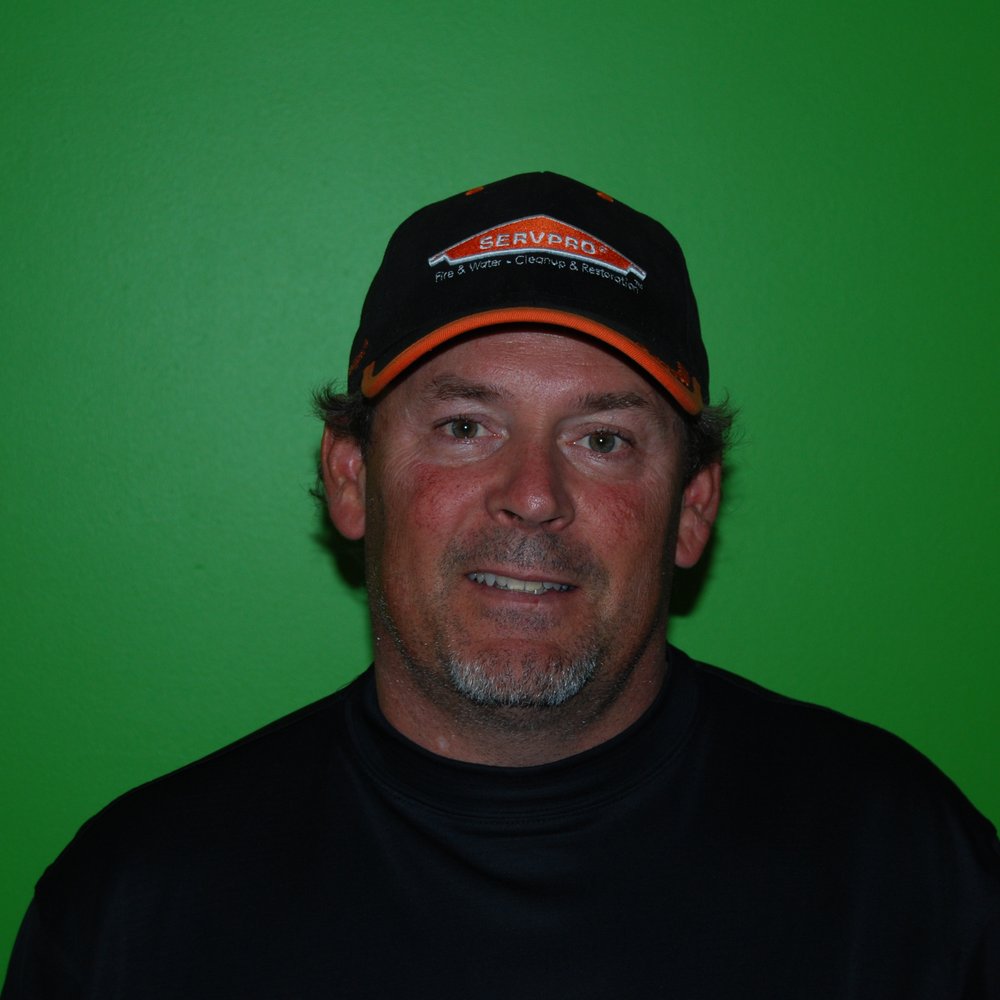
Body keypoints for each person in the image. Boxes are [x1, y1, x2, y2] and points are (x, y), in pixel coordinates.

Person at [3, 172, 998, 998]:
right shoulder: (138, 905)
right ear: (351, 478)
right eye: (464, 426)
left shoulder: (903, 865)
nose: (532, 496)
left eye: (602, 440)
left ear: (693, 507)